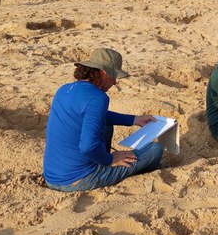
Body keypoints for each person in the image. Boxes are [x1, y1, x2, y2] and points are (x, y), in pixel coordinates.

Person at [43, 48, 163, 192]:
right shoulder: (98, 98)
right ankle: (111, 166)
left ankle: (101, 161)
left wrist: (134, 119)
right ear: (104, 73)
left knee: (106, 125)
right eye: (114, 76)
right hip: (79, 181)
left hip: (52, 178)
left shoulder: (64, 89)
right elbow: (87, 146)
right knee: (155, 150)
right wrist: (110, 159)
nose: (114, 82)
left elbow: (95, 115)